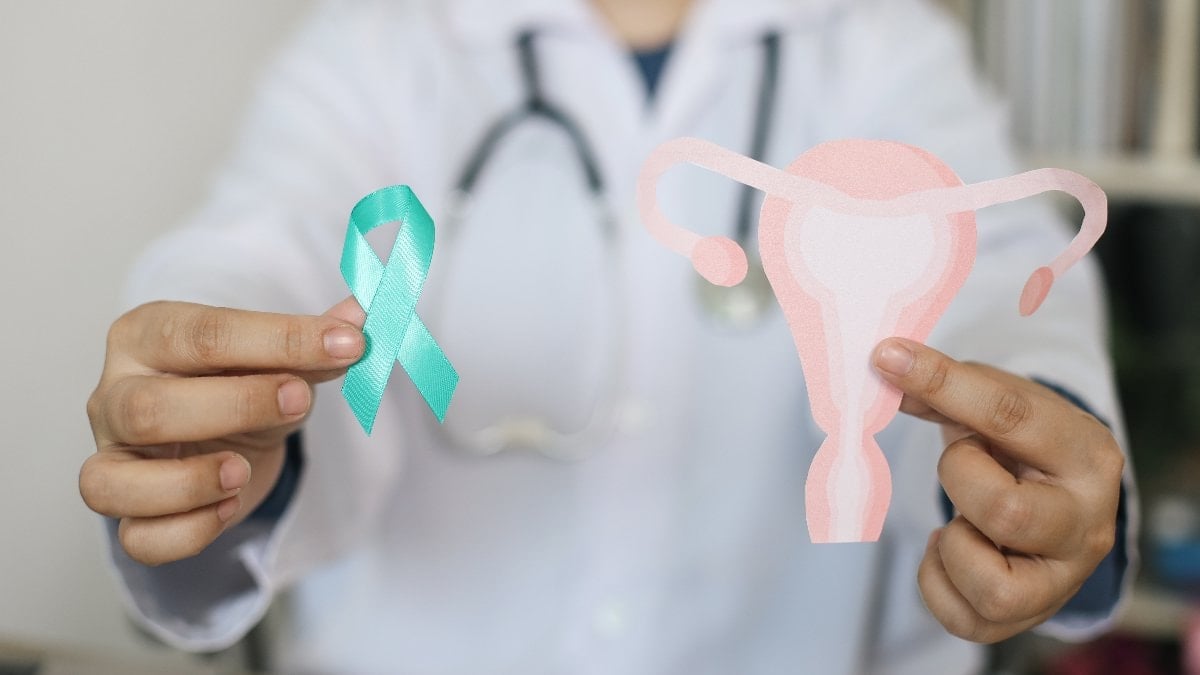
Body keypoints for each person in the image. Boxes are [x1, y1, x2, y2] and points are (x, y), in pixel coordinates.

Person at [80, 0, 1134, 673]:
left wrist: (1025, 459)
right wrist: (217, 398)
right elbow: (273, 245)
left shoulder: (878, 46)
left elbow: (994, 275)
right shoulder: (380, 49)